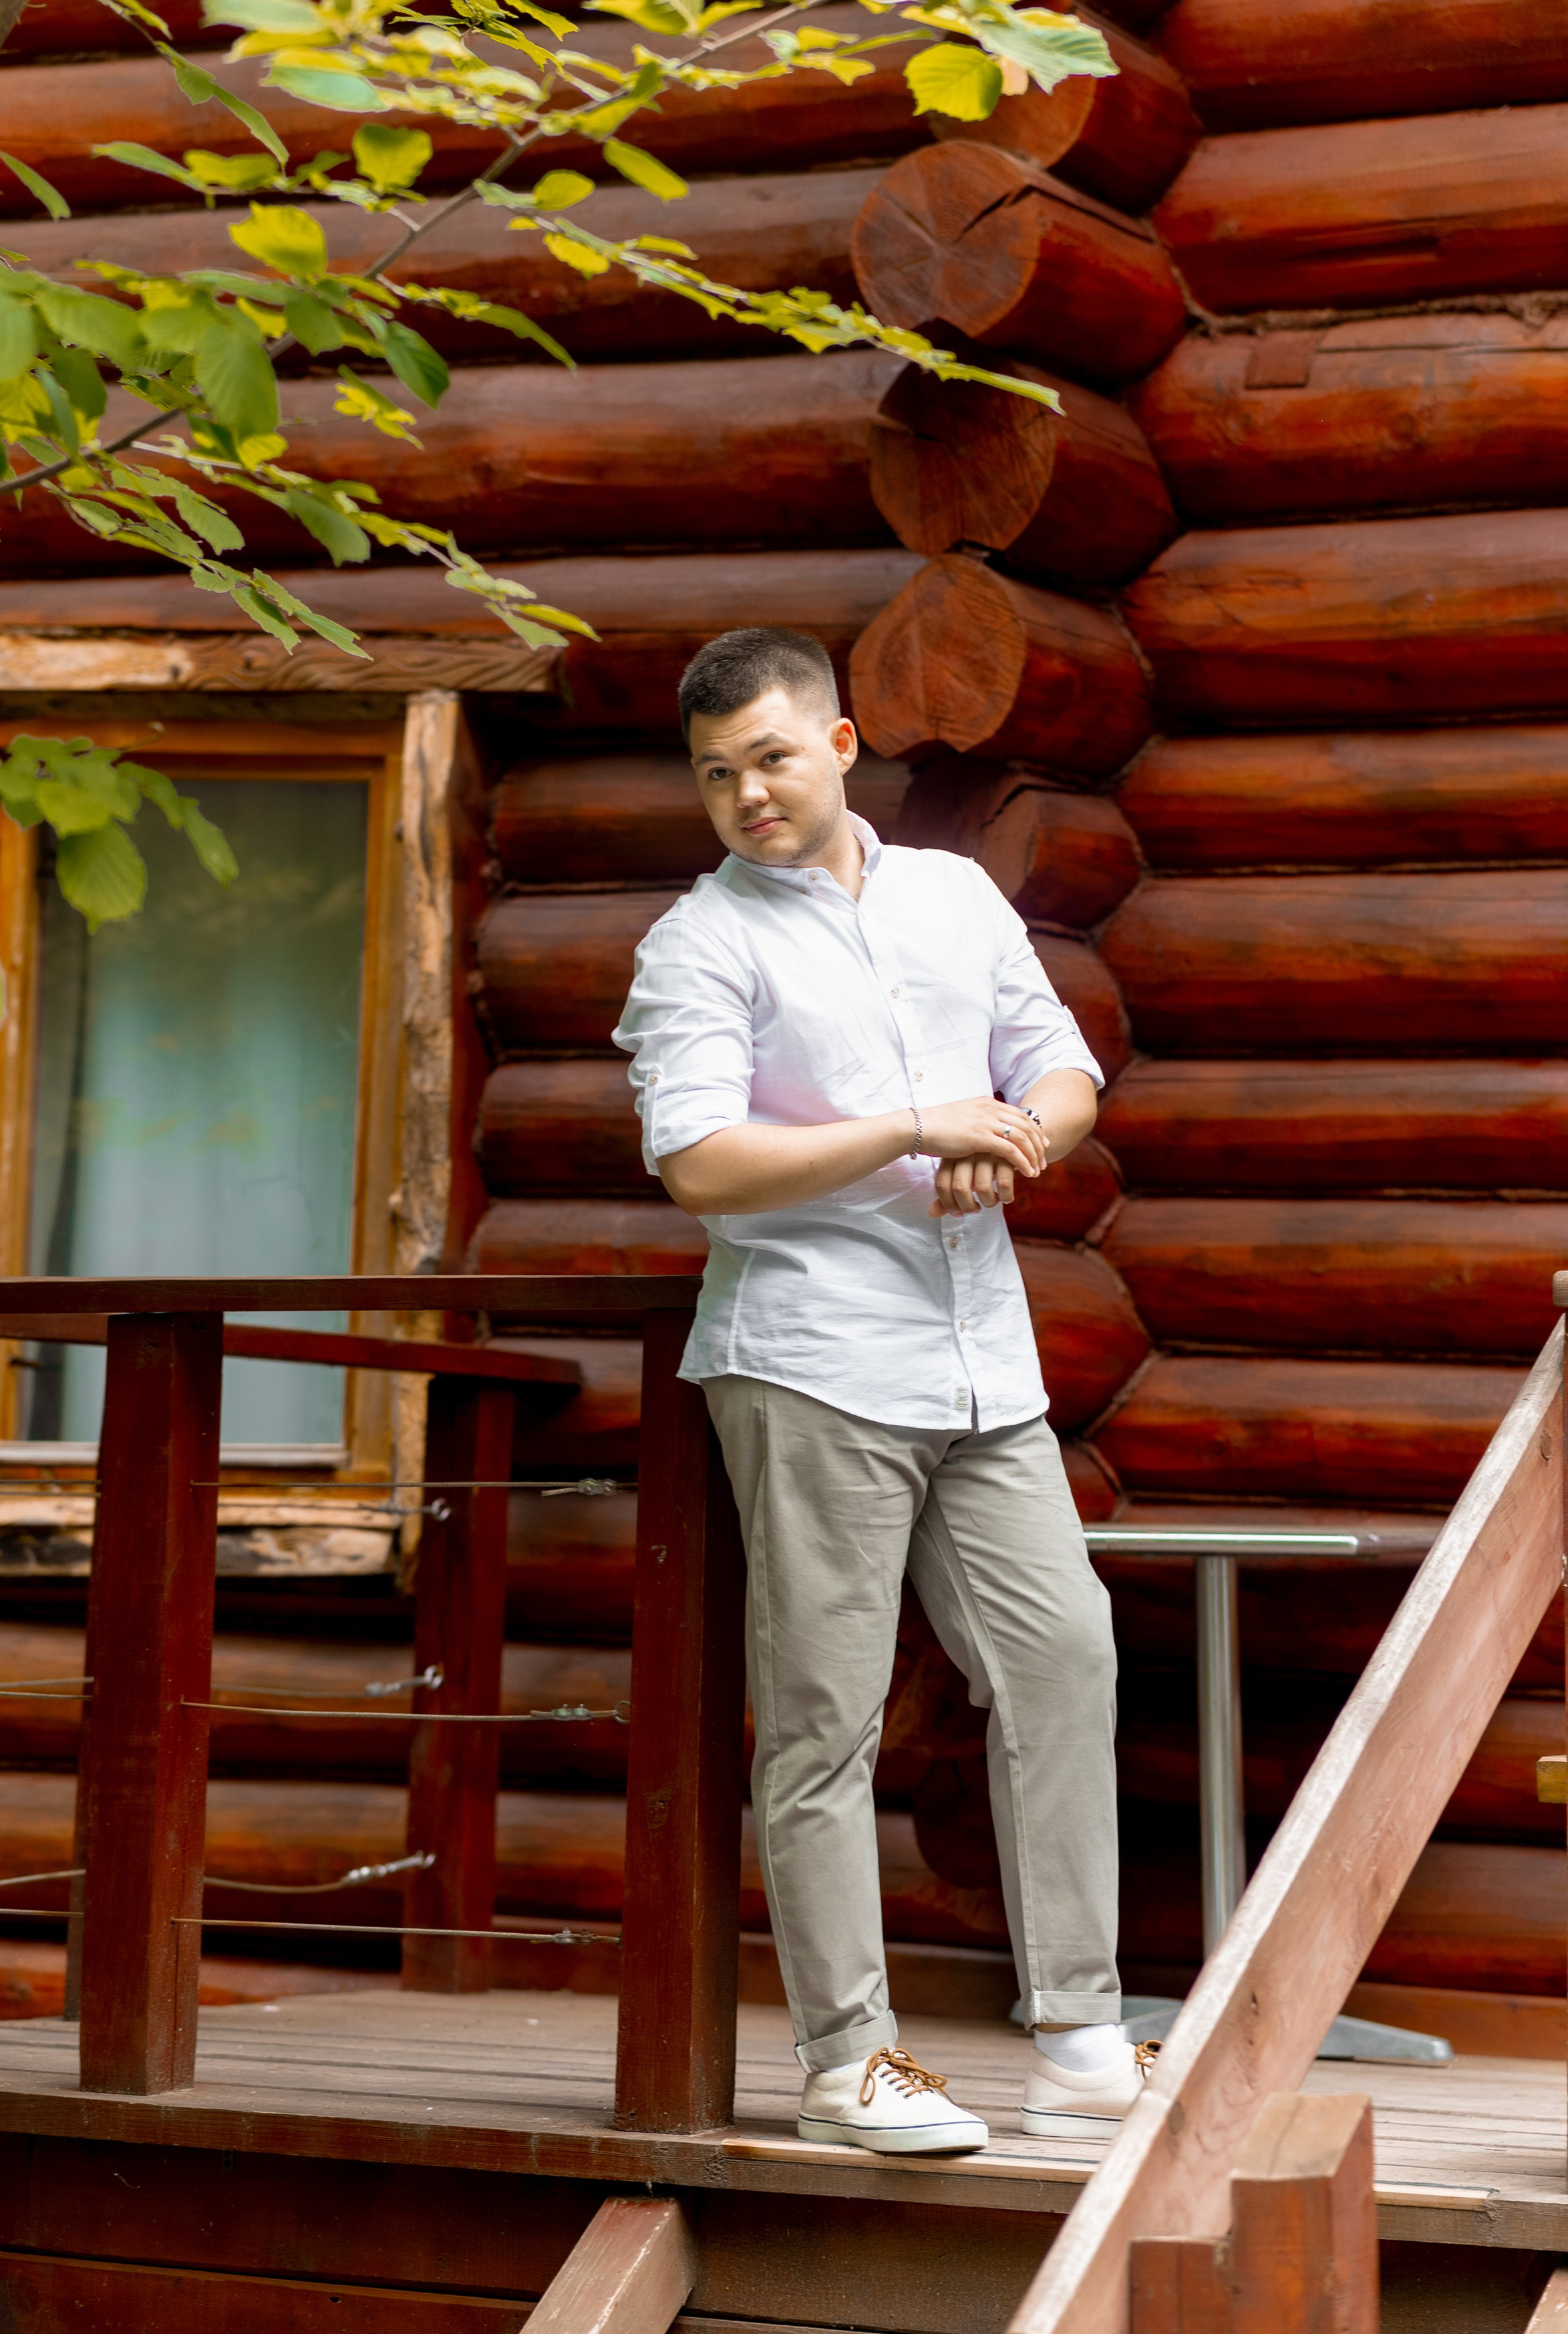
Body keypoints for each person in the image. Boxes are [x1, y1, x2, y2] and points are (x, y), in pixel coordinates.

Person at [613, 626, 1146, 2155]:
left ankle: (1077, 2035)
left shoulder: (952, 894)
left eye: (771, 757)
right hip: (807, 1360)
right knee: (822, 1721)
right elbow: (699, 1160)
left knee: (1063, 1660)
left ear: (841, 746)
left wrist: (1017, 1138)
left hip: (982, 1363)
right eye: (716, 774)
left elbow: (1056, 1063)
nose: (746, 795)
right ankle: (850, 2060)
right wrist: (913, 1124)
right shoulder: (697, 944)